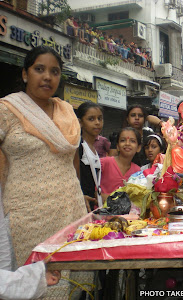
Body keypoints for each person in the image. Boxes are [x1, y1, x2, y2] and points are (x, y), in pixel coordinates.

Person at [0, 46, 89, 298]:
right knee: (37, 283)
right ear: (25, 74)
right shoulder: (6, 110)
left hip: (70, 210)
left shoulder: (67, 111)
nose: (47, 77)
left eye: (54, 71)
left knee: (71, 284)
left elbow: (72, 162)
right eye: (39, 69)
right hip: (28, 215)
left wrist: (80, 195)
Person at [76, 102, 104, 212]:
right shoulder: (78, 146)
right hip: (80, 204)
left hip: (90, 205)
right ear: (80, 122)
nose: (97, 123)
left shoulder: (92, 147)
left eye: (100, 118)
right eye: (91, 119)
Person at [100, 127, 141, 199]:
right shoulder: (104, 163)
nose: (127, 143)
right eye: (123, 140)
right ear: (117, 146)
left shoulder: (138, 172)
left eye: (132, 141)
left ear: (138, 148)